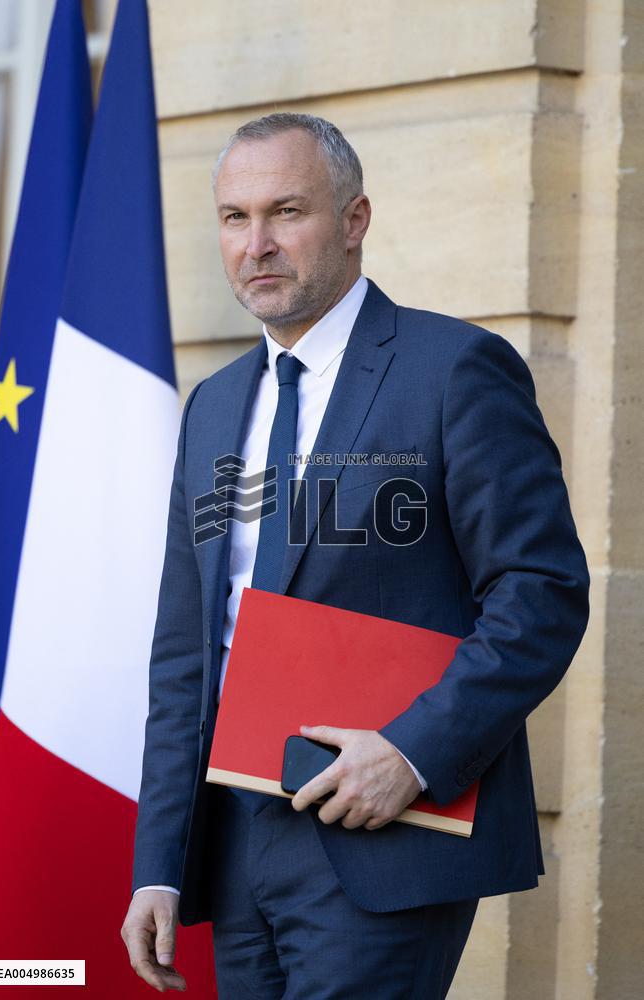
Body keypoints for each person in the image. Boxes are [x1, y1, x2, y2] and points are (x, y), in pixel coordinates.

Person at [121, 112, 590, 997]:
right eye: (233, 217)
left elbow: (542, 593)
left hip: (386, 835)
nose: (256, 244)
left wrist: (413, 755)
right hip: (231, 845)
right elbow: (187, 649)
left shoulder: (454, 370)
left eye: (286, 211)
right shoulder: (213, 407)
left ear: (354, 219)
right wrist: (160, 862)